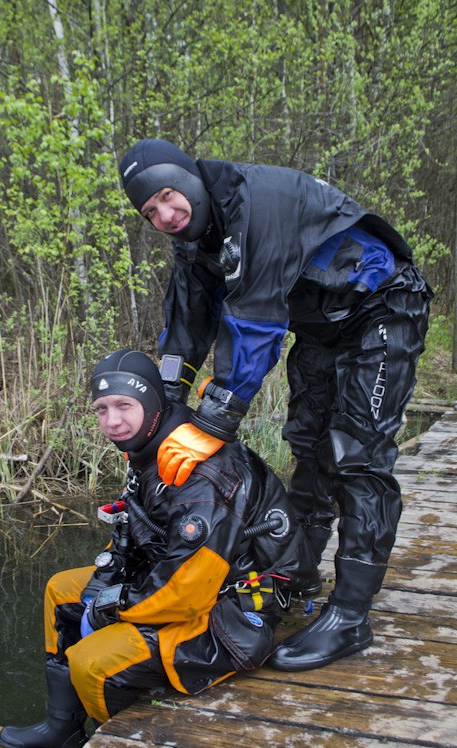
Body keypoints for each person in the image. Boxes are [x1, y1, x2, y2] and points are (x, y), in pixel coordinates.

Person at [118, 139, 433, 671]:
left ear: (189, 179)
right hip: (319, 326)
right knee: (308, 443)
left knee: (356, 456)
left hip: (382, 306)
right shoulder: (197, 239)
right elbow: (187, 322)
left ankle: (351, 616)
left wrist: (210, 424)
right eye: (151, 213)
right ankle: (297, 573)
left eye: (169, 198)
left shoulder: (254, 203)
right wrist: (164, 412)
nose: (166, 216)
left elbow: (254, 326)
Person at [0, 348, 317, 748]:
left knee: (93, 662)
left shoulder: (202, 472)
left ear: (152, 403)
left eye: (123, 405)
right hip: (183, 576)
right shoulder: (155, 444)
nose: (111, 421)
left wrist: (110, 605)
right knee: (61, 590)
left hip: (235, 606)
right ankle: (63, 726)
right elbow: (139, 527)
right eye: (101, 409)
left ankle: (110, 747)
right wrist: (107, 580)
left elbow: (183, 594)